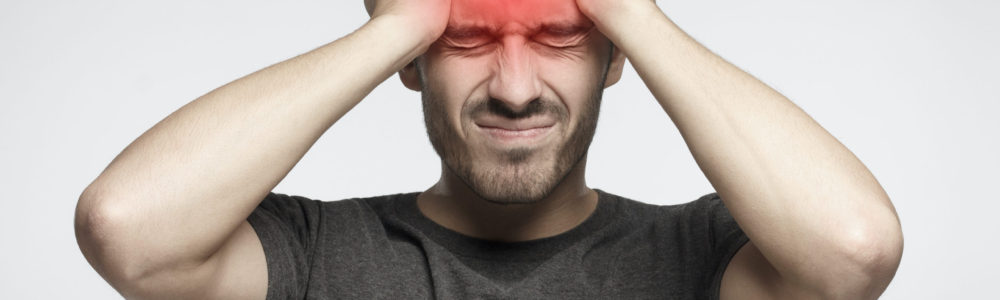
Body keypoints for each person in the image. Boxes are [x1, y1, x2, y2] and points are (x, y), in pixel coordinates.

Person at [74, 0, 904, 298]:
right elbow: (129, 231)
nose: (515, 86)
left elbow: (853, 252)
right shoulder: (317, 256)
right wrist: (401, 24)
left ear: (616, 60)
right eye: (468, 42)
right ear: (411, 67)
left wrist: (639, 17)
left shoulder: (702, 257)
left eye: (558, 37)